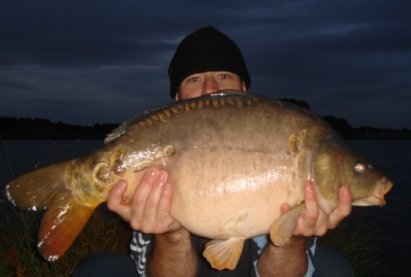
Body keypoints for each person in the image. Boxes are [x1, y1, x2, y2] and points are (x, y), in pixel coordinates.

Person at [73, 26, 353, 277]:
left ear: (245, 89)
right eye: (194, 79)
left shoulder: (283, 143)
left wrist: (291, 239)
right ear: (177, 99)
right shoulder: (155, 156)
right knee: (98, 270)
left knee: (334, 269)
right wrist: (170, 234)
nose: (210, 88)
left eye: (223, 75)